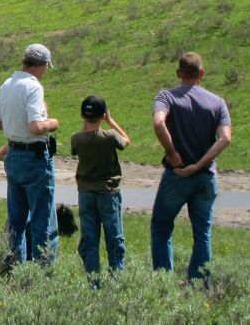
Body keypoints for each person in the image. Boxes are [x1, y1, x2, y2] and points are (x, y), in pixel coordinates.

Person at [150, 52, 232, 281]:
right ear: (201, 74)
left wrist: (173, 153)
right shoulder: (217, 102)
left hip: (176, 174)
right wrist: (199, 165)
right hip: (205, 176)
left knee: (161, 227)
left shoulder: (166, 96)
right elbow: (225, 138)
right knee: (202, 233)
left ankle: (163, 283)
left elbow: (158, 122)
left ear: (178, 73)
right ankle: (199, 284)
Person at [0, 43, 60, 264]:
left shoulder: (7, 84)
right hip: (34, 157)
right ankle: (42, 272)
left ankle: (13, 267)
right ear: (41, 65)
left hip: (13, 155)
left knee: (16, 219)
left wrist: (15, 125)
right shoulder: (33, 87)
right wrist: (52, 123)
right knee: (42, 219)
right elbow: (35, 127)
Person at [70, 95, 130, 279]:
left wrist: (86, 125)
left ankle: (93, 280)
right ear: (103, 115)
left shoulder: (76, 138)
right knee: (114, 238)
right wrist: (110, 121)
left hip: (86, 194)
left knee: (90, 240)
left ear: (82, 115)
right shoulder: (110, 137)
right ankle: (116, 278)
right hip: (108, 193)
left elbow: (79, 141)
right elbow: (126, 140)